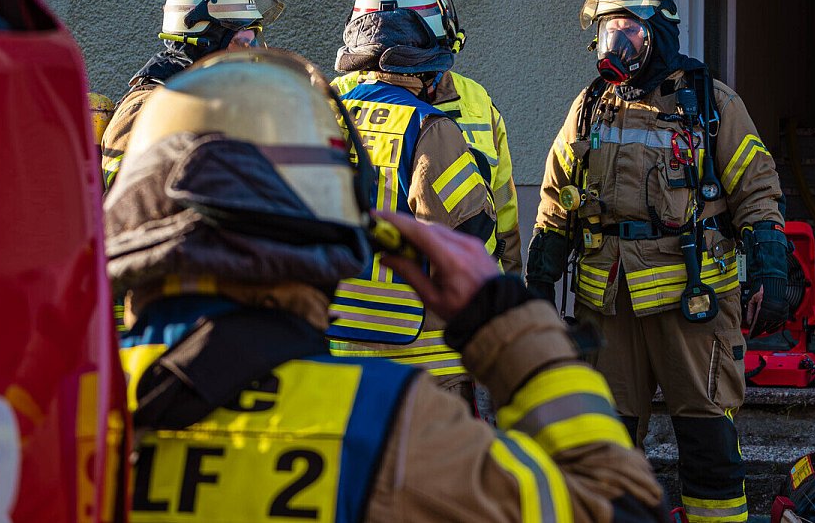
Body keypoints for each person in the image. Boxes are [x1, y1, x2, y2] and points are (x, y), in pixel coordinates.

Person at [104, 49, 665, 522]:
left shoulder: (69, 408)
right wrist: (510, 330)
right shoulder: (390, 424)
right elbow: (620, 507)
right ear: (334, 209)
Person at [527, 0, 791, 523]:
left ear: (658, 32)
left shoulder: (709, 103)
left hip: (690, 303)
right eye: (607, 31)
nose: (615, 43)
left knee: (707, 442)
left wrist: (770, 267)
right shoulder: (590, 106)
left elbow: (756, 188)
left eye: (627, 29)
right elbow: (557, 195)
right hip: (608, 304)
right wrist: (541, 277)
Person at [326, 0, 497, 405]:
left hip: (334, 352)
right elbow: (467, 235)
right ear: (428, 57)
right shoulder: (429, 127)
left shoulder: (321, 117)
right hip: (421, 362)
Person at [332, 0, 523, 274]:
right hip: (441, 291)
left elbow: (503, 203)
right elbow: (472, 225)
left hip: (348, 292)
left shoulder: (475, 100)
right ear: (443, 36)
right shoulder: (335, 99)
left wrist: (509, 280)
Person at [99, 0, 283, 190]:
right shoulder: (145, 110)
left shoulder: (219, 107)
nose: (252, 51)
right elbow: (133, 200)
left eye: (254, 39)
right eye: (242, 41)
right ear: (206, 42)